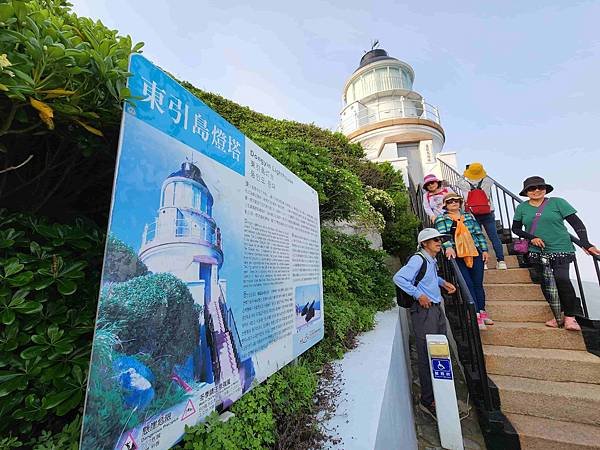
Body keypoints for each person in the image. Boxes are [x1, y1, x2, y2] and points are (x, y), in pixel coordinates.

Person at [512, 176, 600, 331]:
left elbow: (577, 223)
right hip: (536, 251)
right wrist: (532, 238)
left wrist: (585, 243)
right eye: (532, 188)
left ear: (545, 189)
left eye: (540, 187)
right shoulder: (522, 208)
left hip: (561, 248)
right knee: (546, 285)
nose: (537, 190)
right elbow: (516, 229)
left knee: (562, 280)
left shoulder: (557, 202)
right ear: (526, 192)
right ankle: (557, 316)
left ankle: (570, 318)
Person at [393, 228, 456, 420]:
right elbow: (399, 278)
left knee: (439, 352)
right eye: (434, 240)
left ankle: (438, 394)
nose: (438, 242)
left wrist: (443, 282)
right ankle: (428, 400)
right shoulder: (418, 259)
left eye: (439, 239)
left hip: (434, 309)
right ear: (424, 244)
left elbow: (428, 277)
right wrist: (418, 295)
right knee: (428, 353)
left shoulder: (430, 260)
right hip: (424, 312)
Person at [434, 193, 492, 328]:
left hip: (474, 251)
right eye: (450, 201)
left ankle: (482, 312)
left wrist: (484, 250)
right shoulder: (441, 219)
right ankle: (475, 314)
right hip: (458, 254)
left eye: (456, 201)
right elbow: (443, 236)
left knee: (478, 283)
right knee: (468, 284)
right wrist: (448, 247)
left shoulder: (468, 217)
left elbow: (478, 233)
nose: (454, 203)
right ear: (445, 205)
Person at [459, 163, 507, 270]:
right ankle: (501, 261)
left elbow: (458, 181)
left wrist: (464, 173)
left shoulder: (464, 184)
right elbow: (489, 177)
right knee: (494, 237)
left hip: (472, 213)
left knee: (477, 237)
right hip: (488, 212)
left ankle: (483, 263)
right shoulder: (487, 181)